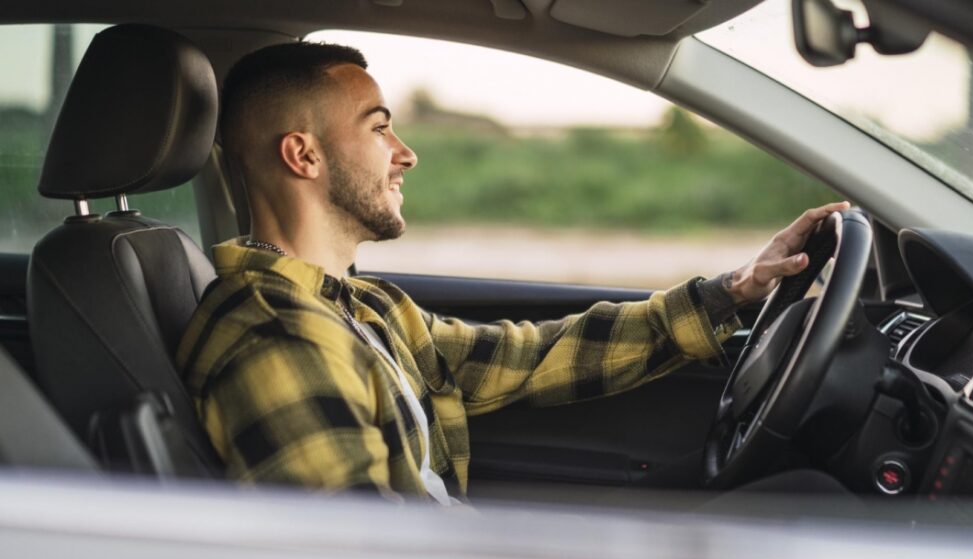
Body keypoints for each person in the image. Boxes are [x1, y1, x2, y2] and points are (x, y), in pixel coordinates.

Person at [176, 42, 849, 504]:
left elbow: (529, 356)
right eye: (379, 128)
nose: (405, 154)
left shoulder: (363, 306)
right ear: (303, 154)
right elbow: (356, 553)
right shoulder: (276, 335)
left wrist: (733, 289)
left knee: (800, 498)